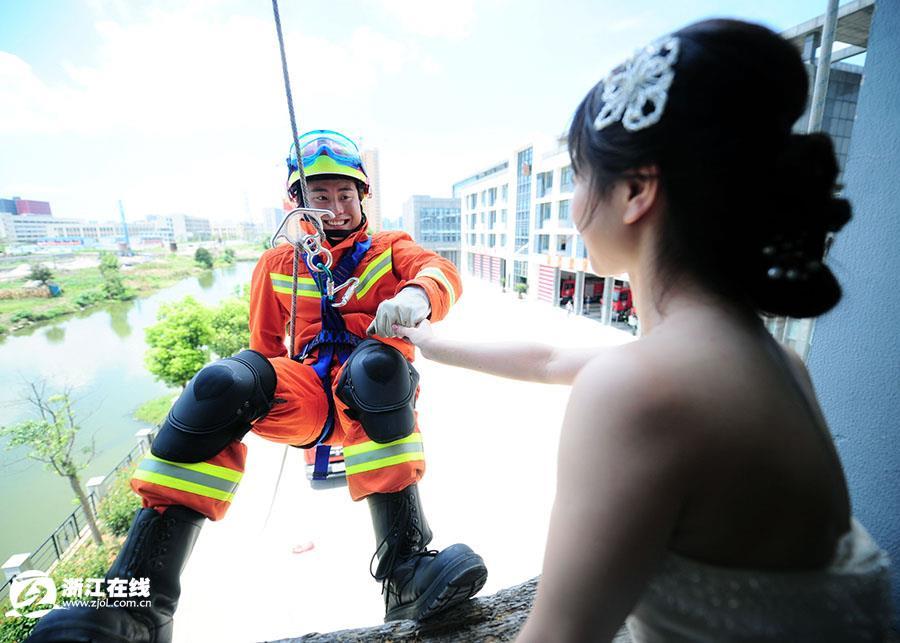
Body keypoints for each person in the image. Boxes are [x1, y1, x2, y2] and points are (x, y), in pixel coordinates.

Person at [396, 20, 892, 642]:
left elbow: (559, 636)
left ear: (635, 189)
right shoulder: (770, 360)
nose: (574, 204)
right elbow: (550, 357)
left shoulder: (640, 390)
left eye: (579, 175)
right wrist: (429, 341)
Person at [28, 130, 487, 643]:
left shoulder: (389, 249)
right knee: (222, 384)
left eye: (344, 196)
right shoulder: (278, 265)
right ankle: (137, 603)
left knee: (377, 367)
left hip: (375, 393)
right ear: (297, 202)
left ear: (362, 198)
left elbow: (438, 270)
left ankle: (404, 570)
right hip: (310, 392)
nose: (335, 208)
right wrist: (249, 397)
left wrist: (420, 296)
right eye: (321, 197)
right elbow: (265, 350)